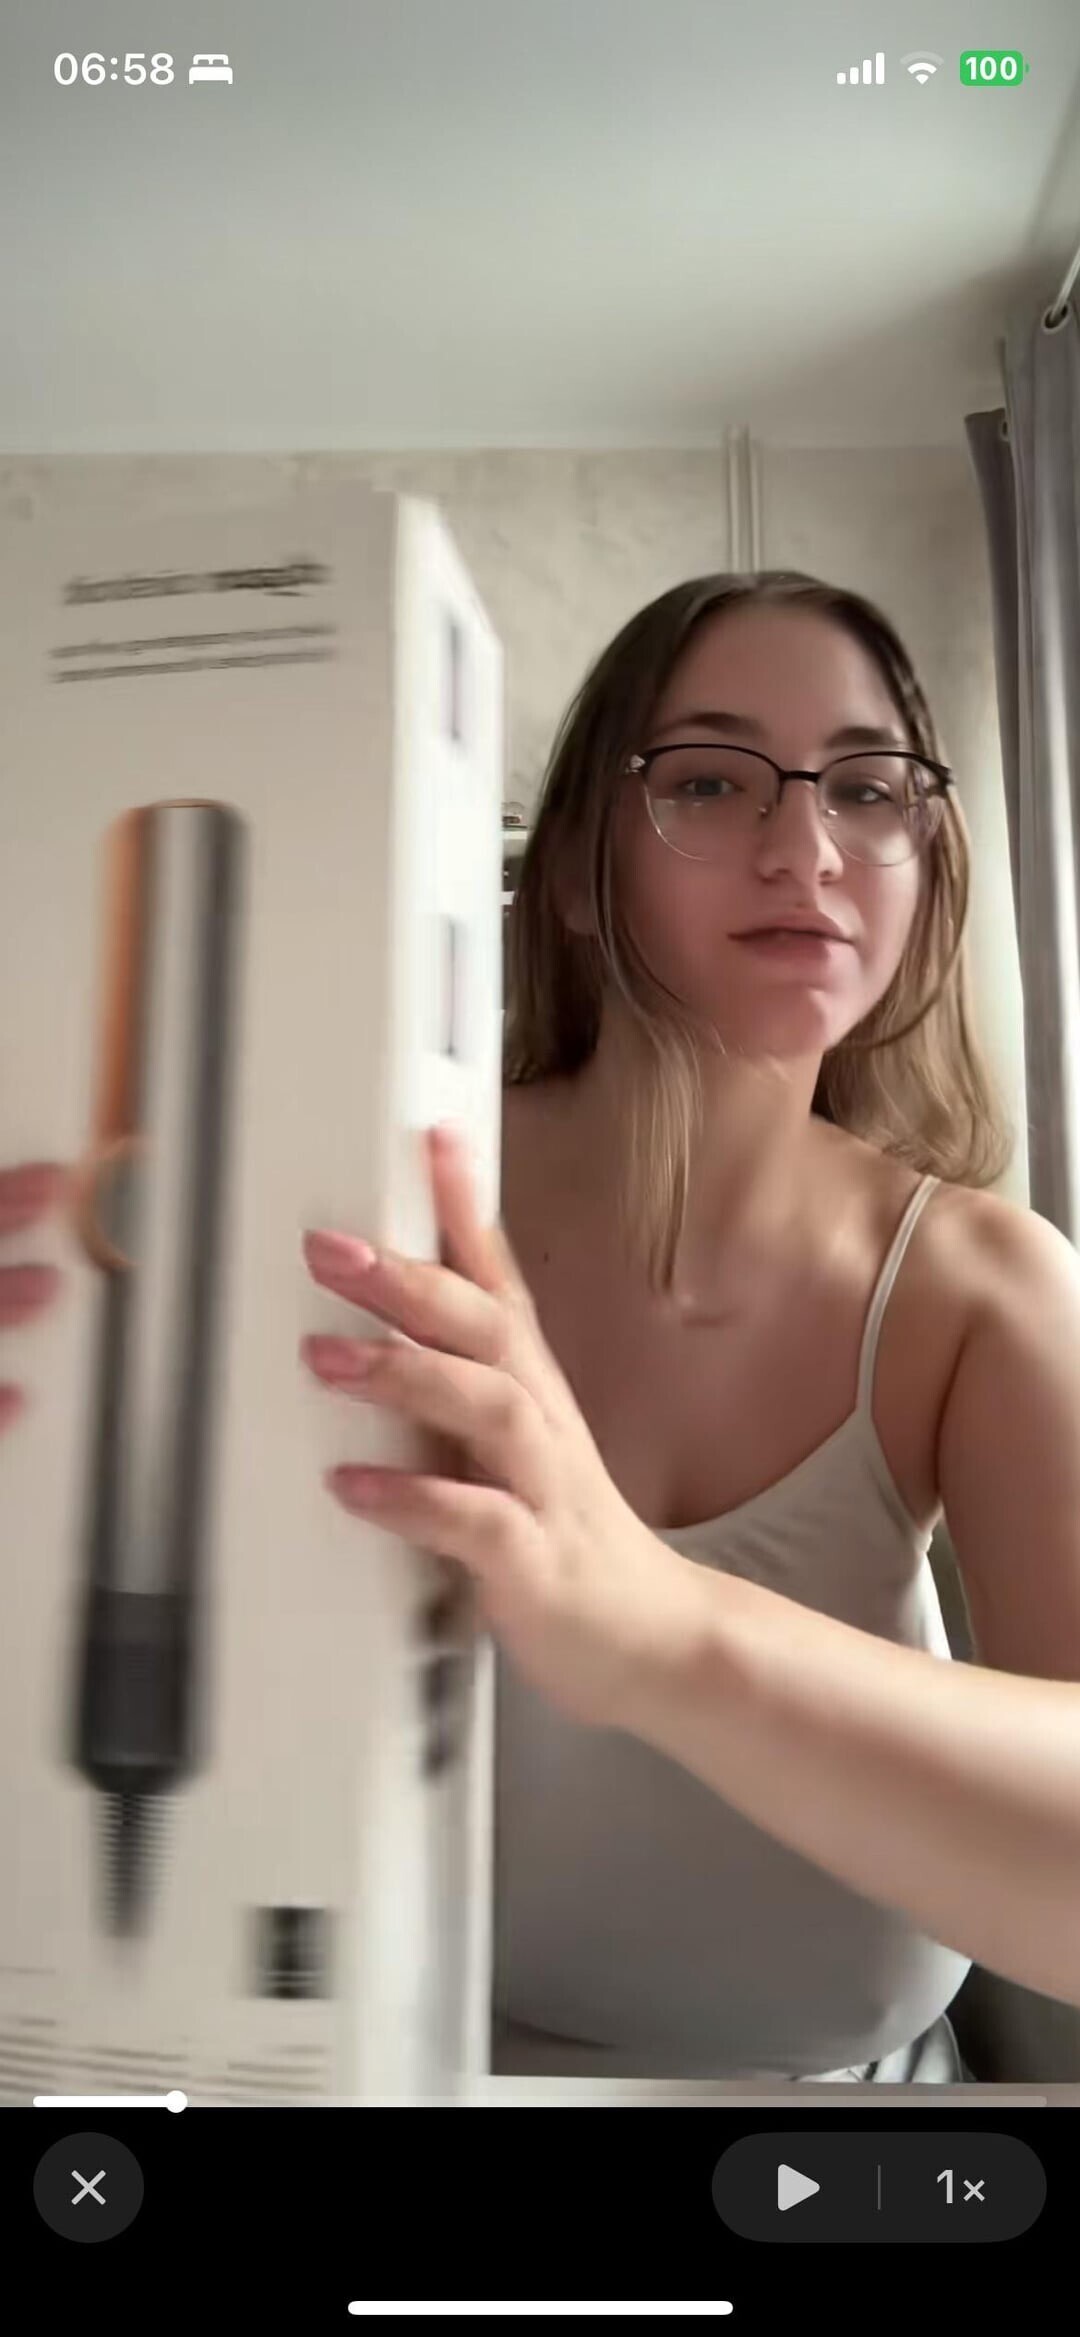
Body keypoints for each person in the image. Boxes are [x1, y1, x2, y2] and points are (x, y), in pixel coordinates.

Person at [9, 573, 1080, 2083]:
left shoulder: (984, 1290)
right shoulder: (360, 1193)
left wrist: (654, 1631)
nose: (806, 849)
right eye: (709, 781)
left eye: (866, 786)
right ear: (574, 867)